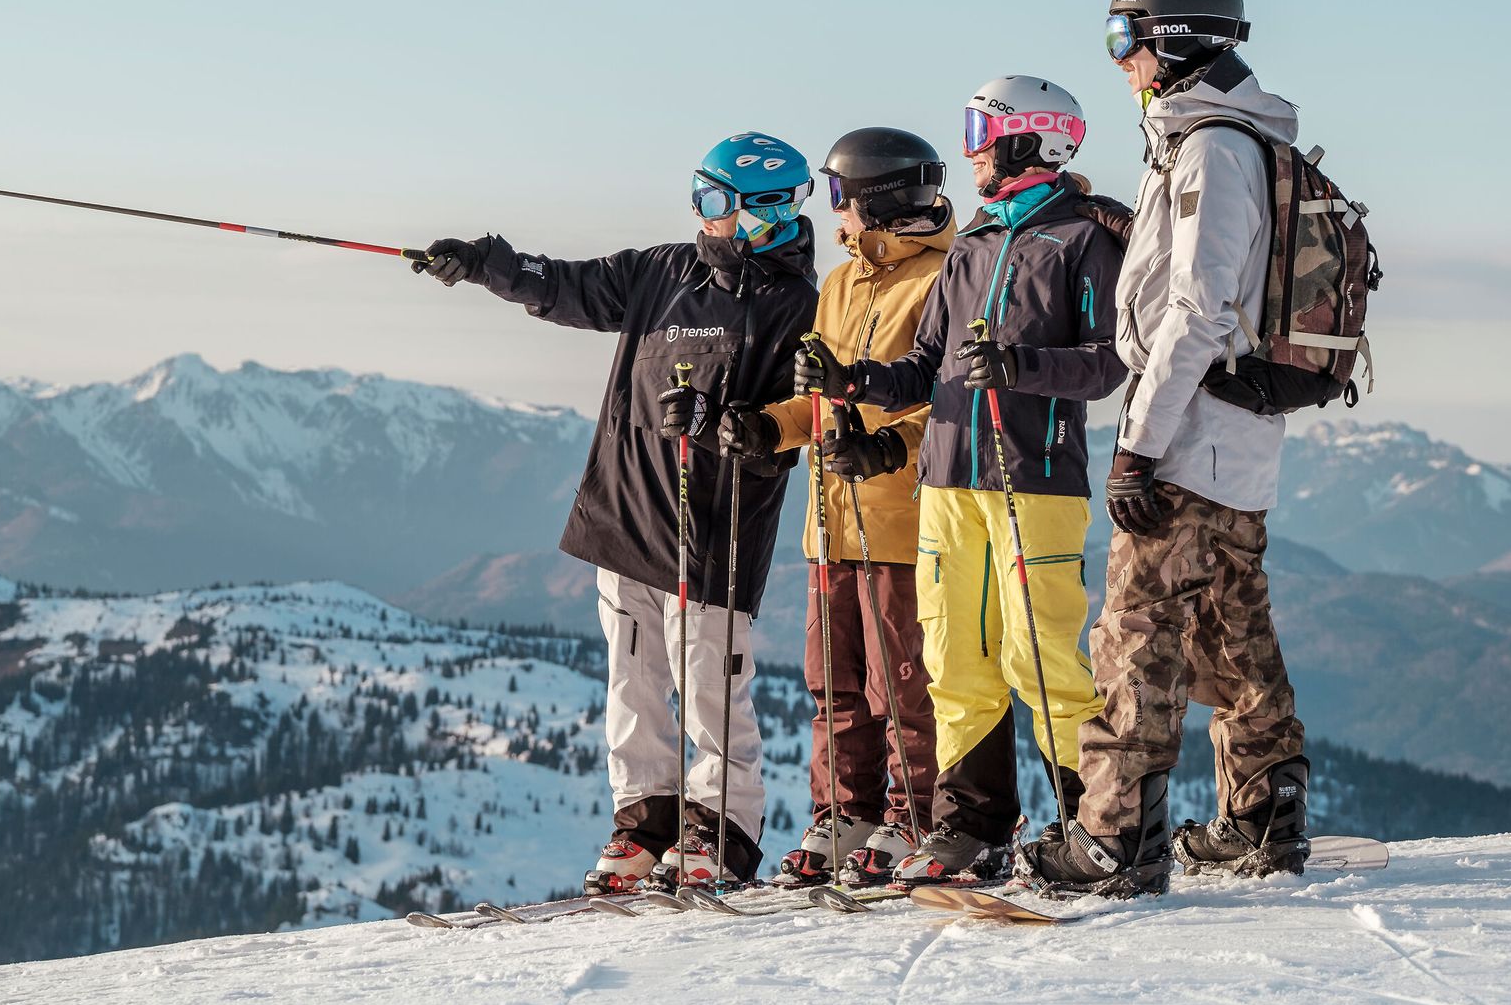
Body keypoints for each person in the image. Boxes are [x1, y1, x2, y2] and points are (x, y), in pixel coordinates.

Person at [413, 133, 819, 891]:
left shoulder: (793, 304)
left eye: (715, 202)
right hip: (627, 509)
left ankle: (721, 831)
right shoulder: (664, 269)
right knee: (632, 685)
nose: (702, 216)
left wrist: (721, 417)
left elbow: (787, 428)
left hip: (712, 525)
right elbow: (564, 284)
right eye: (697, 197)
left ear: (765, 211)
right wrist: (481, 264)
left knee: (708, 687)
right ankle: (645, 823)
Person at [1020, 0, 1313, 898]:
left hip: (1191, 432)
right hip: (1236, 434)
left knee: (1136, 636)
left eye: (1123, 38)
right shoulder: (1223, 143)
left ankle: (1114, 838)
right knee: (1232, 631)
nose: (1119, 60)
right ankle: (1265, 816)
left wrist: (1138, 446)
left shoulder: (1212, 149)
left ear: (1174, 38)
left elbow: (1195, 309)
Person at [797, 78, 1126, 886]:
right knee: (953, 655)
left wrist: (1021, 367)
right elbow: (922, 368)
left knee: (1039, 652)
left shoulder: (1082, 241)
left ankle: (1098, 822)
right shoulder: (974, 245)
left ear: (1031, 140)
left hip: (1034, 476)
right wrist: (855, 379)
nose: (972, 148)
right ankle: (971, 825)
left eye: (983, 130)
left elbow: (1114, 359)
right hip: (947, 480)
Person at [717, 128, 951, 887]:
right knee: (835, 682)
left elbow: (946, 404)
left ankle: (917, 816)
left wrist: (888, 451)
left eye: (838, 196)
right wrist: (770, 426)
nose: (833, 213)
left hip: (900, 522)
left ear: (874, 198)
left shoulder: (940, 280)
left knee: (905, 684)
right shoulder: (843, 284)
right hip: (829, 522)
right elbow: (815, 399)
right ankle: (844, 812)